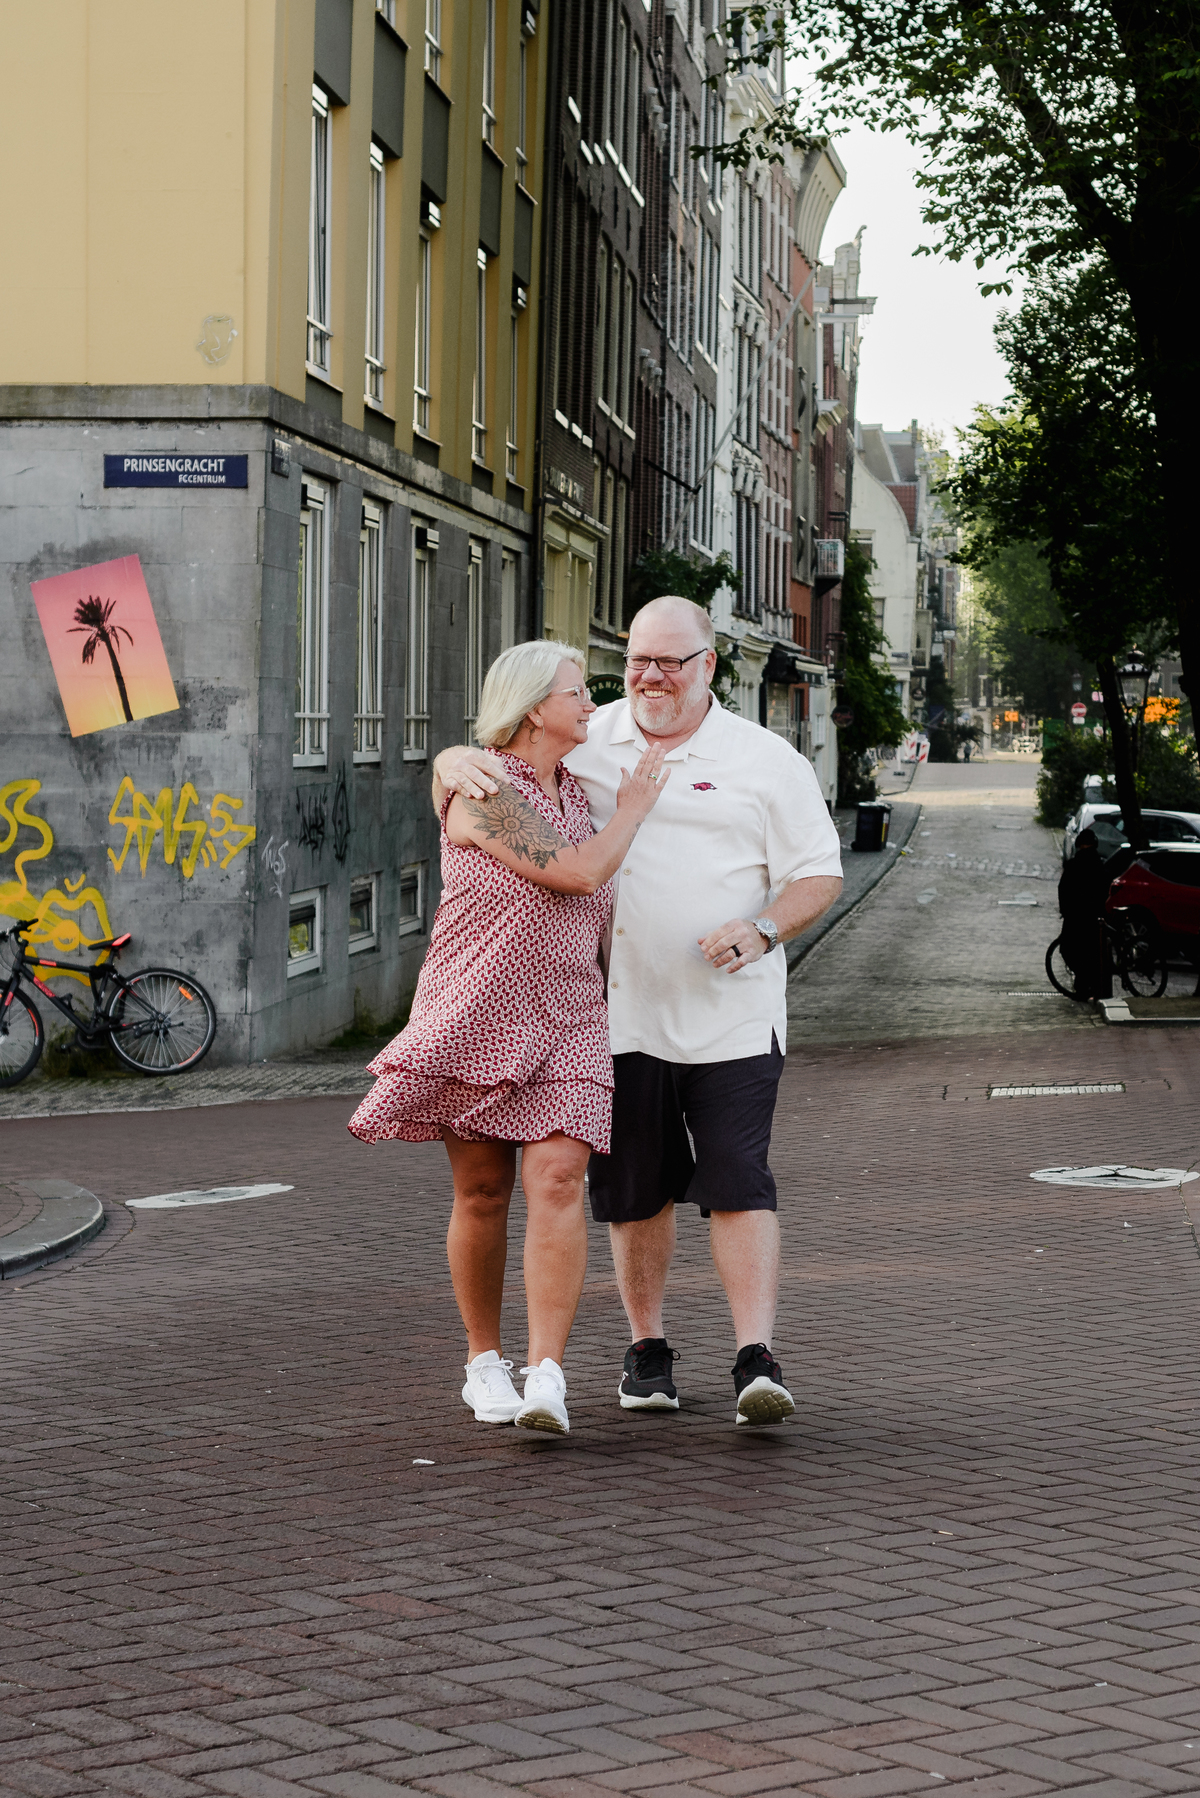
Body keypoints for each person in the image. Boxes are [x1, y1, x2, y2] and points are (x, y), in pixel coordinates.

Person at [434, 596, 843, 1427]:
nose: (649, 677)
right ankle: (646, 1349)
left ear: (709, 666)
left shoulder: (766, 759)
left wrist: (765, 929)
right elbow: (500, 762)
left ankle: (754, 1356)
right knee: (634, 1189)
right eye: (637, 661)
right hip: (610, 1015)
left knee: (738, 1175)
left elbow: (820, 872)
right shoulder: (590, 736)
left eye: (671, 661)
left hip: (731, 1010)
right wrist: (446, 760)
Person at [349, 639, 667, 1436]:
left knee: (559, 1180)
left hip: (568, 1019)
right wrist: (634, 809)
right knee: (483, 1193)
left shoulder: (576, 791)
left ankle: (547, 1373)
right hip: (477, 1012)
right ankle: (483, 1364)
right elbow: (578, 874)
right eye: (576, 693)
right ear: (533, 710)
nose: (592, 704)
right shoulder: (484, 787)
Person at [1057, 826, 1112, 998]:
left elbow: (1063, 889)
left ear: (1080, 845)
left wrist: (1065, 910)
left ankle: (1083, 982)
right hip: (1095, 917)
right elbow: (1105, 890)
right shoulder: (1100, 865)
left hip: (1075, 917)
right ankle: (1092, 985)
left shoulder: (1073, 865)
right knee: (1094, 953)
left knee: (1067, 948)